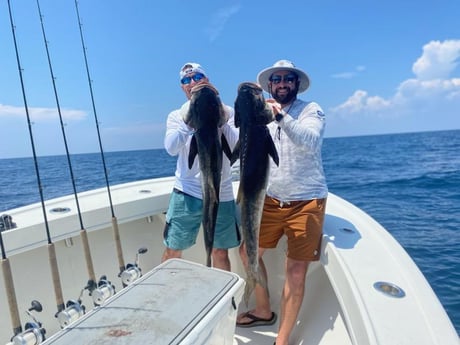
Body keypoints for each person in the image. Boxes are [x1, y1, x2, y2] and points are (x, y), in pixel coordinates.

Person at [236, 60, 328, 345]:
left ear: (296, 83)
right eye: (276, 79)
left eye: (289, 78)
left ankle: (282, 340)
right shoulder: (260, 115)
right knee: (247, 253)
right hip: (272, 200)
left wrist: (280, 118)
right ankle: (263, 309)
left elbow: (310, 141)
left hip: (307, 202)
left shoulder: (311, 110)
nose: (282, 83)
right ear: (270, 84)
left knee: (295, 270)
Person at [161, 62, 240, 271]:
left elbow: (235, 146)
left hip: (220, 193)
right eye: (186, 80)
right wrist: (189, 121)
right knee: (173, 249)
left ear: (207, 80)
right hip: (186, 193)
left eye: (197, 77)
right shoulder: (177, 115)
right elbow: (171, 147)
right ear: (182, 87)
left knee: (220, 251)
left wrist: (218, 114)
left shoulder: (227, 111)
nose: (192, 82)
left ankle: (223, 297)